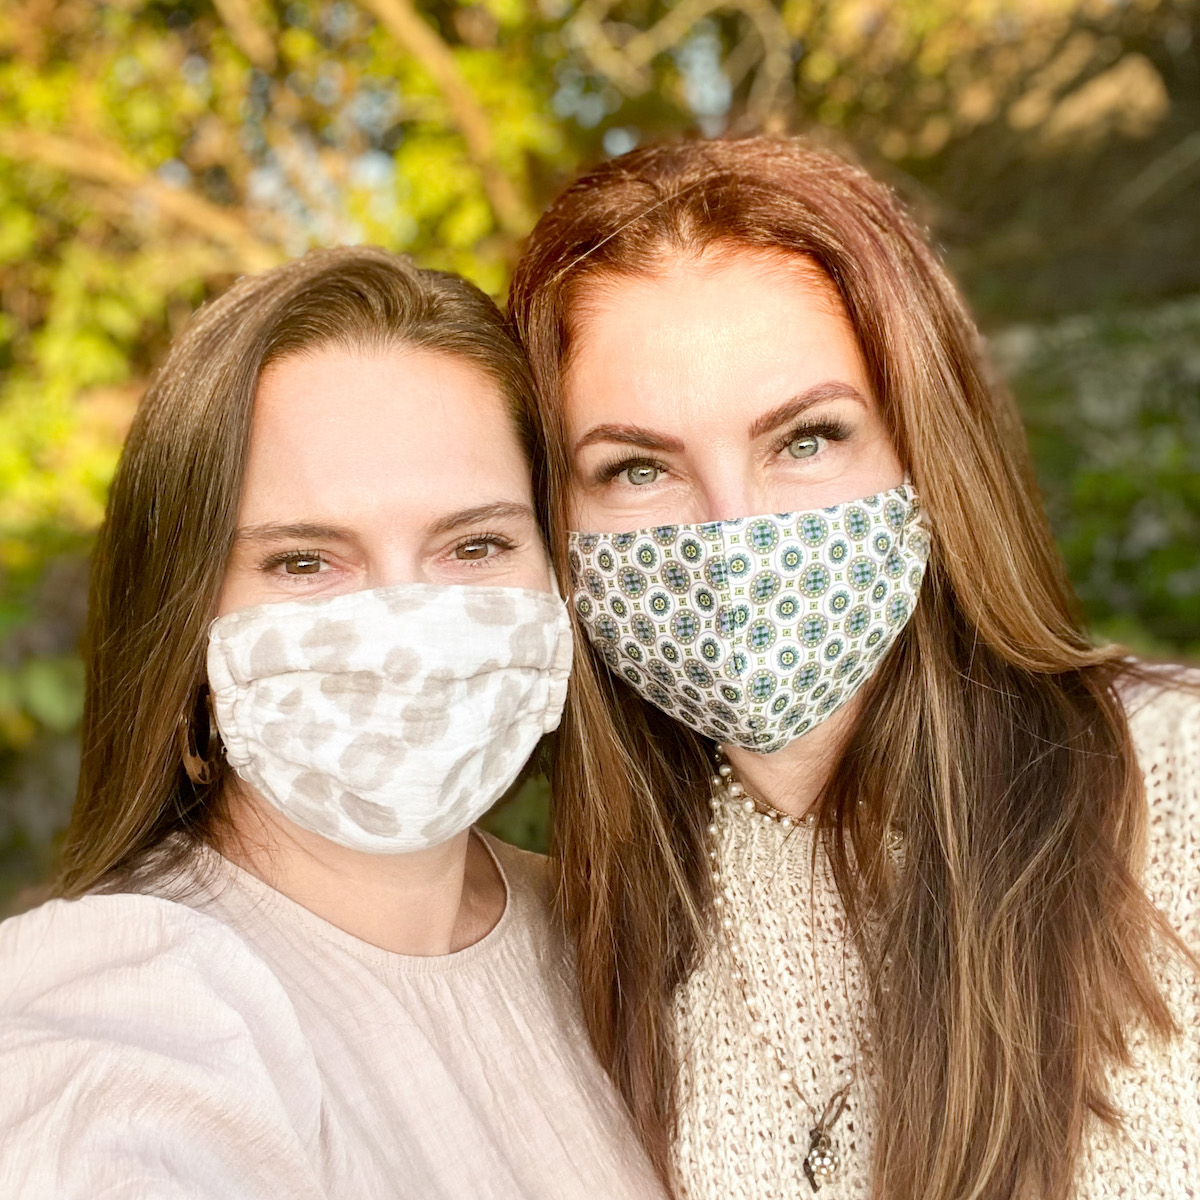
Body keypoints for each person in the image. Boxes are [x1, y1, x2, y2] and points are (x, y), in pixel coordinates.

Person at [508, 137, 1200, 1200]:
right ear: (556, 516)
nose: (731, 531)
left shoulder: (1174, 785)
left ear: (925, 451)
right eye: (636, 467)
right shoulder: (579, 936)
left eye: (808, 438)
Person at [0, 247, 663, 1199]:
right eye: (305, 563)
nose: (403, 629)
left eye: (475, 545)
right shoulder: (129, 997)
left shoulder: (623, 938)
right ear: (188, 619)